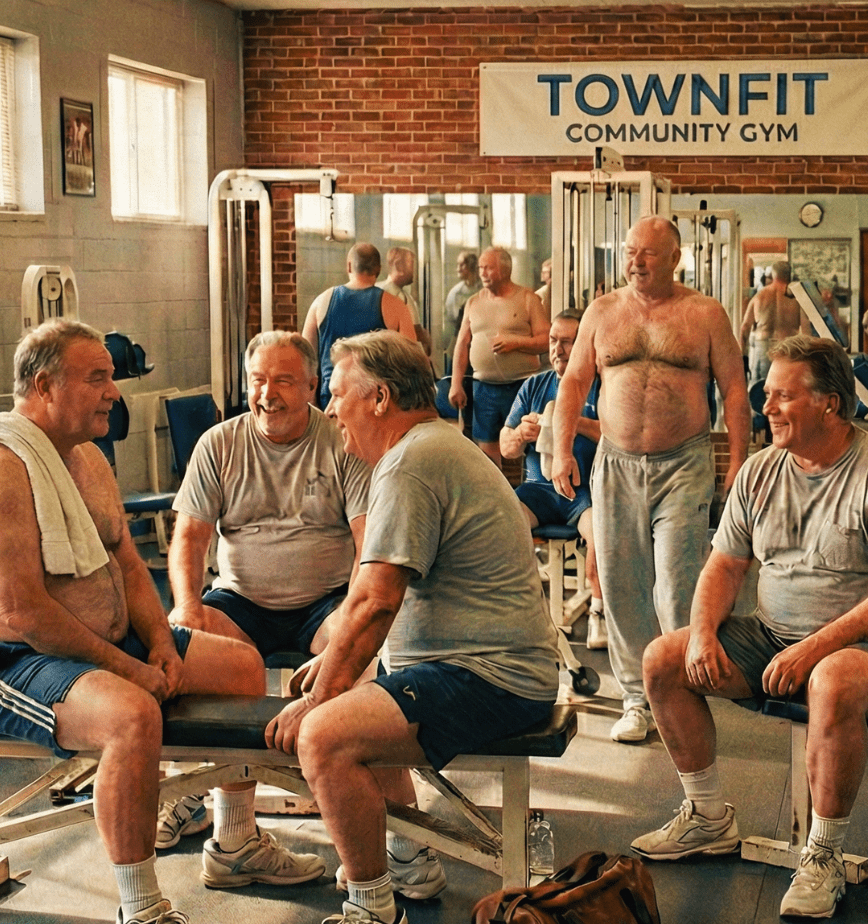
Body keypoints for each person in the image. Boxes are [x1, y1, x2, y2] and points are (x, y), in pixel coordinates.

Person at [631, 335, 868, 920]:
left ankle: (822, 855)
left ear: (829, 404)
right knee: (663, 661)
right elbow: (724, 567)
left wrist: (813, 650)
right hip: (773, 633)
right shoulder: (760, 471)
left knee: (832, 682)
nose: (765, 407)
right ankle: (707, 817)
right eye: (765, 394)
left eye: (781, 396)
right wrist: (701, 633)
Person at [267, 330, 562, 924]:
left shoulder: (412, 462)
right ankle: (405, 857)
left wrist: (318, 702)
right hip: (475, 666)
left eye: (338, 394)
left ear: (379, 398)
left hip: (492, 678)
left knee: (323, 736)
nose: (330, 410)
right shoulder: (428, 447)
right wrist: (335, 662)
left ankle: (372, 909)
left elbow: (377, 601)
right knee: (351, 686)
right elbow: (375, 598)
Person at [0, 320, 268, 924]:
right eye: (96, 378)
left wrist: (159, 643)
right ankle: (141, 906)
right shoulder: (7, 466)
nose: (114, 393)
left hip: (109, 641)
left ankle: (234, 843)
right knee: (132, 716)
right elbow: (23, 611)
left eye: (111, 378)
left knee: (242, 666)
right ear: (43, 385)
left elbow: (126, 563)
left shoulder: (89, 459)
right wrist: (128, 668)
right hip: (22, 659)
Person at [161, 331, 373, 879]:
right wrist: (186, 607)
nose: (267, 394)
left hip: (323, 600)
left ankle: (375, 833)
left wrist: (352, 617)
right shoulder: (219, 444)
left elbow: (366, 544)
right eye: (257, 380)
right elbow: (189, 538)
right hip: (239, 599)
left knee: (358, 654)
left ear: (311, 386)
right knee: (189, 646)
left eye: (283, 380)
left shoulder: (341, 443)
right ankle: (217, 818)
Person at [550, 214, 751, 743]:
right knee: (621, 585)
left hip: (683, 463)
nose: (635, 262)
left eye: (649, 253)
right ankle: (637, 698)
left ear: (676, 259)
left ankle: (679, 689)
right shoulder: (603, 312)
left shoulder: (704, 313)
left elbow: (734, 390)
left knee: (678, 584)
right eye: (630, 252)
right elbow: (574, 382)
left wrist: (738, 463)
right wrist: (560, 450)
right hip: (615, 464)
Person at [500, 310, 607, 648]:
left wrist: (569, 422)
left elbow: (615, 434)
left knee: (602, 536)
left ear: (584, 346)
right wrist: (520, 434)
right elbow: (505, 447)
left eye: (567, 342)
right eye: (552, 341)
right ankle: (518, 613)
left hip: (584, 492)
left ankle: (599, 614)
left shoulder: (601, 385)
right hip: (539, 490)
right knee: (499, 525)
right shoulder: (534, 385)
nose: (557, 349)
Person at [449, 246, 551, 468]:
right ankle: (495, 489)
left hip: (522, 385)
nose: (482, 273)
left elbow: (546, 340)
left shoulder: (528, 299)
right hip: (484, 387)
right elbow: (462, 345)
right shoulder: (473, 302)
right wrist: (456, 383)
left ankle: (526, 487)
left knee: (526, 443)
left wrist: (516, 342)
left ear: (505, 270)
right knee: (487, 450)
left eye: (489, 268)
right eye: (480, 268)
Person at [302, 243, 417, 408]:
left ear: (349, 266)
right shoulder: (396, 306)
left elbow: (306, 359)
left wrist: (311, 403)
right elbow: (411, 362)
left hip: (331, 401)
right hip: (375, 402)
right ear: (378, 269)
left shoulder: (321, 302)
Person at [740, 260, 801, 385]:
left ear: (773, 275)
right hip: (786, 348)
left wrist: (740, 357)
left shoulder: (759, 296)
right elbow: (806, 331)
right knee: (785, 387)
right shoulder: (797, 298)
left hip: (763, 348)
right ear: (789, 275)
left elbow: (745, 327)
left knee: (760, 388)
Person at [377, 246, 430, 356]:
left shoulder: (376, 289)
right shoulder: (402, 297)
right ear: (399, 266)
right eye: (412, 264)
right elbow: (418, 337)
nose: (415, 270)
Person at [441, 250, 481, 370]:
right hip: (460, 342)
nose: (458, 269)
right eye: (457, 265)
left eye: (462, 265)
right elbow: (450, 322)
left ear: (472, 266)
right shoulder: (455, 293)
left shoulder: (485, 289)